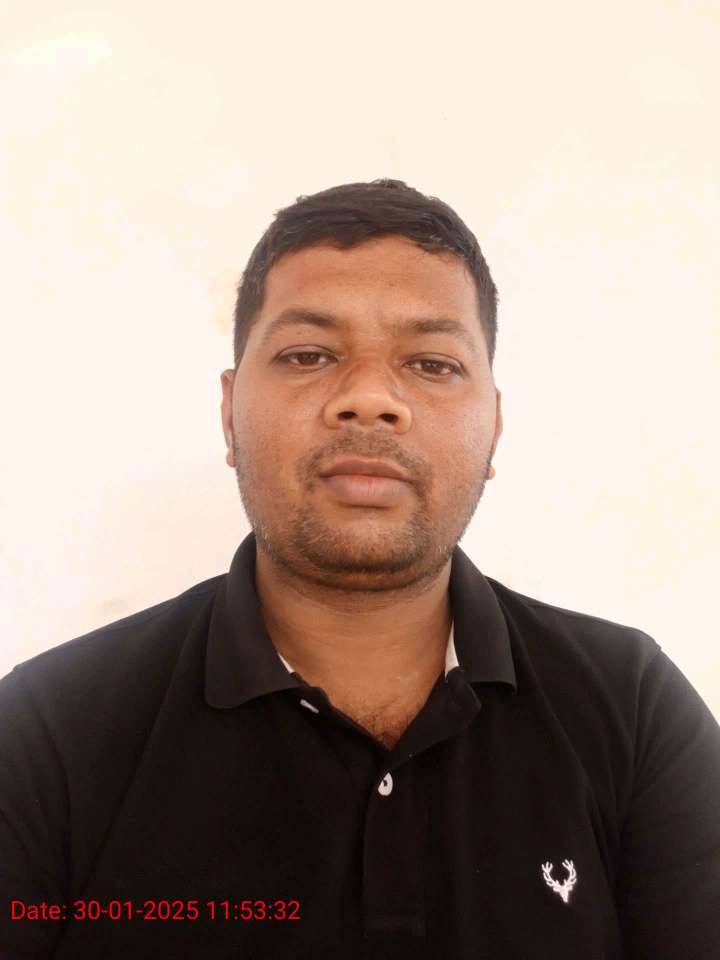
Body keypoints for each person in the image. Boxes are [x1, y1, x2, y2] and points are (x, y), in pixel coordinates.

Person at [1, 178, 718, 959]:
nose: (371, 399)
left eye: (432, 364)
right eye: (308, 355)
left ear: (494, 427)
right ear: (229, 413)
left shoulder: (632, 707)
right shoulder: (47, 733)